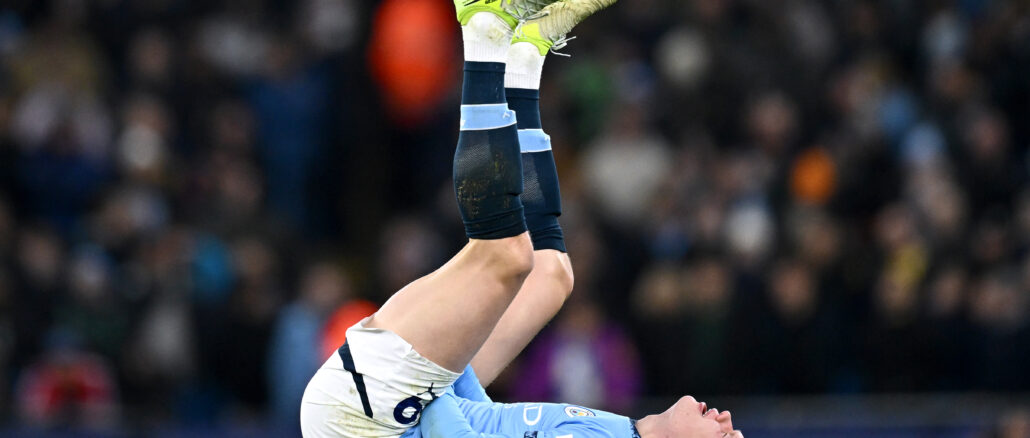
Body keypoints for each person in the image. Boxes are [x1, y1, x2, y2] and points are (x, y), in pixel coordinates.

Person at [300, 0, 743, 437]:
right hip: (398, 410)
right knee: (552, 275)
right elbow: (479, 420)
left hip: (366, 422)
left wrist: (444, 362)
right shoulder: (624, 432)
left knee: (507, 257)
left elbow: (448, 432)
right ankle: (526, 56)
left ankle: (484, 28)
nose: (726, 422)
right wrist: (453, 360)